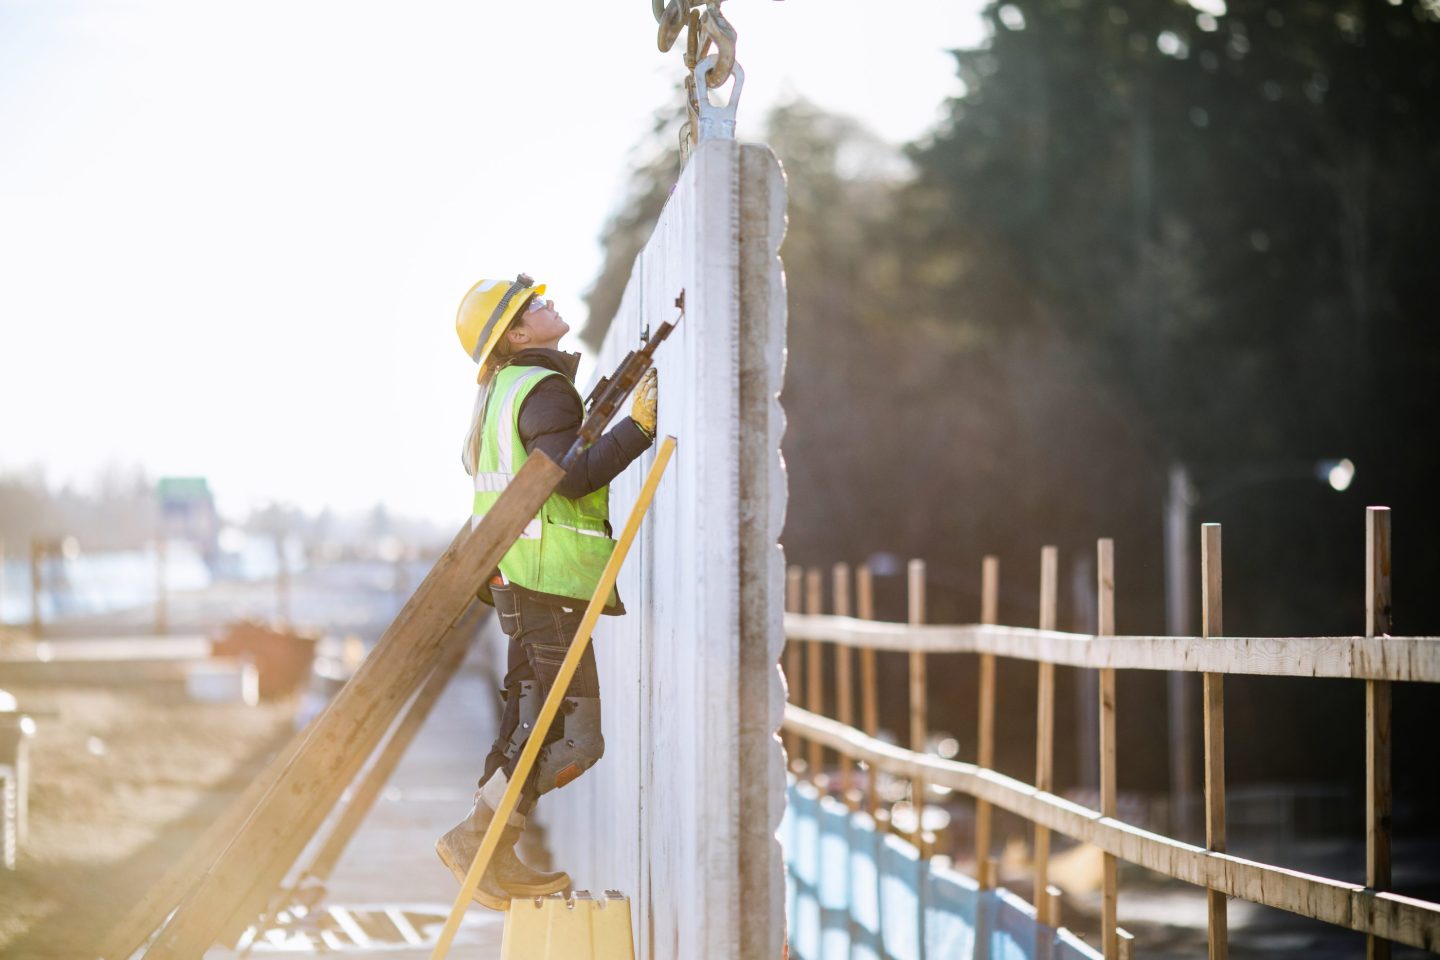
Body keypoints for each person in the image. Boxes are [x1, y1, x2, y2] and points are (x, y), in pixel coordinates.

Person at [436, 273, 658, 910]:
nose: (547, 304)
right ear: (516, 334)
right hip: (549, 584)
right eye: (532, 306)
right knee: (572, 739)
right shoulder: (543, 388)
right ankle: (477, 840)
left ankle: (490, 853)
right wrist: (638, 430)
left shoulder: (501, 393)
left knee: (522, 730)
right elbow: (571, 476)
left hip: (520, 581)